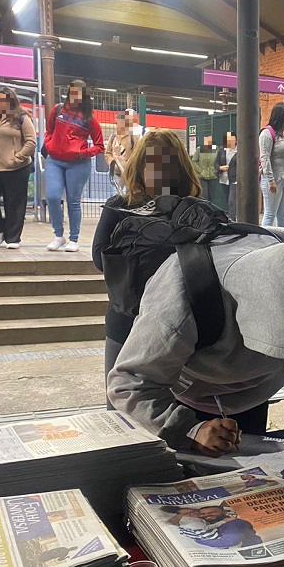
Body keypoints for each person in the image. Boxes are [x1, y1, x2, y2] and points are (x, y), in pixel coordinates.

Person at [108, 222, 284, 455]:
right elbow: (130, 383)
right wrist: (189, 430)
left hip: (256, 393)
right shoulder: (178, 299)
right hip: (183, 395)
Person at [93, 129, 204, 404]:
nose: (161, 171)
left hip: (178, 329)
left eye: (168, 163)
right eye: (152, 163)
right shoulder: (118, 207)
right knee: (121, 410)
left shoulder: (196, 210)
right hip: (125, 323)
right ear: (140, 167)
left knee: (178, 410)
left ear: (180, 169)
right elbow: (99, 258)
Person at [43, 79, 104, 252]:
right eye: (72, 92)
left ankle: (73, 239)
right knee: (53, 197)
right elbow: (49, 131)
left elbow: (100, 146)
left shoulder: (89, 119)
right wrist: (49, 144)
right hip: (55, 160)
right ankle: (58, 236)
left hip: (78, 165)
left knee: (73, 201)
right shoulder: (58, 110)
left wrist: (81, 153)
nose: (74, 96)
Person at [0, 86, 36, 249]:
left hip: (16, 167)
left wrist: (17, 158)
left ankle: (13, 238)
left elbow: (31, 142)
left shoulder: (21, 117)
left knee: (15, 203)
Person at [260, 103, 284, 227]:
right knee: (270, 214)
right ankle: (265, 241)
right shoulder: (267, 133)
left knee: (282, 215)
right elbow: (264, 157)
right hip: (273, 181)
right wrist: (271, 181)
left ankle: (283, 241)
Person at [161, 505, 262, 549]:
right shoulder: (204, 523)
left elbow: (228, 542)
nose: (206, 515)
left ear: (225, 513)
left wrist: (198, 540)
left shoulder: (235, 523)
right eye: (202, 513)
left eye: (211, 512)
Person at [104, 109, 135, 194]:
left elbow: (137, 154)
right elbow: (108, 153)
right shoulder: (113, 137)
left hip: (129, 175)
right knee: (116, 196)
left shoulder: (133, 137)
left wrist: (125, 162)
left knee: (129, 197)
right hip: (116, 173)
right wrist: (112, 162)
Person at [192, 135, 223, 209]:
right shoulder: (199, 149)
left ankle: (212, 212)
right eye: (206, 140)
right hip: (202, 176)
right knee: (204, 196)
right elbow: (194, 161)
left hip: (213, 176)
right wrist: (200, 171)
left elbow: (219, 161)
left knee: (212, 196)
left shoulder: (216, 149)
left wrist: (216, 170)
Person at [215, 131, 238, 219]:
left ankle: (232, 220)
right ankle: (231, 216)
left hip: (234, 180)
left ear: (235, 140)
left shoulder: (239, 151)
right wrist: (221, 168)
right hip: (224, 179)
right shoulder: (222, 150)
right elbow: (216, 163)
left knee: (232, 201)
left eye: (231, 138)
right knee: (227, 199)